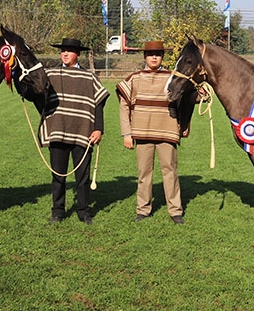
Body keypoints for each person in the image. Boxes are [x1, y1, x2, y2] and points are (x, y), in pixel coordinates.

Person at [37, 38, 109, 225]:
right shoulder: (50, 74)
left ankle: (84, 211)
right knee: (58, 175)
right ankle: (58, 211)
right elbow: (37, 94)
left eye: (69, 51)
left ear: (78, 54)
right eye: (63, 51)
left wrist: (98, 128)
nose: (65, 54)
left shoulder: (89, 77)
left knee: (82, 177)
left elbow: (98, 103)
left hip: (82, 132)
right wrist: (23, 89)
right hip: (58, 130)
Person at [116, 40, 189, 224]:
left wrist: (197, 98)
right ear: (145, 57)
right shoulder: (135, 77)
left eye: (157, 54)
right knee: (144, 173)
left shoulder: (172, 77)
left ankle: (175, 211)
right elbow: (124, 106)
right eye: (150, 54)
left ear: (162, 56)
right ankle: (143, 209)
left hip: (167, 131)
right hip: (142, 132)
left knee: (170, 172)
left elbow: (187, 98)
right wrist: (127, 133)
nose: (154, 57)